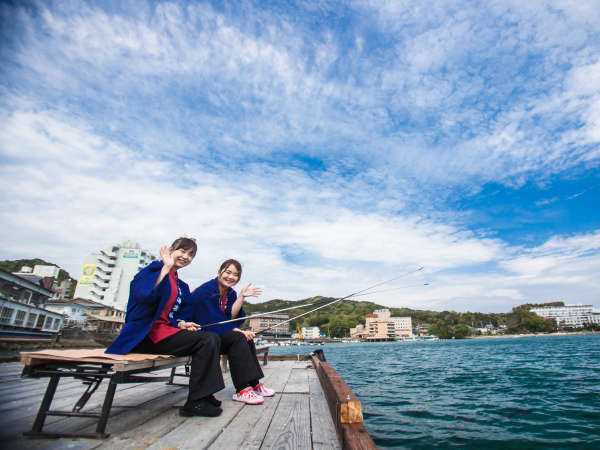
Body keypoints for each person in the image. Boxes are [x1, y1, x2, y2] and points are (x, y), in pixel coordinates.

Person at [105, 237, 225, 417]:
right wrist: (166, 267)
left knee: (210, 337)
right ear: (170, 251)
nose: (186, 256)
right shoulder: (151, 271)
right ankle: (196, 401)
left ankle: (205, 395)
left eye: (191, 254)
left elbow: (177, 314)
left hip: (165, 333)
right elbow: (143, 297)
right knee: (207, 340)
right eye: (182, 251)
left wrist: (182, 323)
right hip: (145, 336)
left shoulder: (180, 284)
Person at [178, 259, 275, 405]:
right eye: (228, 272)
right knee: (237, 338)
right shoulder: (207, 290)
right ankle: (242, 389)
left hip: (215, 332)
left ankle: (253, 384)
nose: (230, 277)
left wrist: (241, 297)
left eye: (235, 275)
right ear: (219, 272)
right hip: (199, 332)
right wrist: (237, 330)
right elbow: (210, 318)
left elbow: (230, 317)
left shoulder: (230, 293)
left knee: (244, 338)